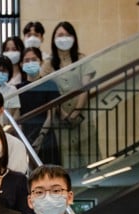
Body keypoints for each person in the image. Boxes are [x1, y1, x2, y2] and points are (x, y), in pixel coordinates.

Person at [41, 21, 97, 168]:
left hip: (83, 117)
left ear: (74, 38)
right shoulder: (47, 65)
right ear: (53, 39)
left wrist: (76, 112)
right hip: (60, 120)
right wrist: (64, 114)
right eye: (60, 35)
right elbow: (48, 93)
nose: (63, 38)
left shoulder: (81, 58)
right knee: (67, 160)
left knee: (89, 156)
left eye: (67, 35)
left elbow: (86, 88)